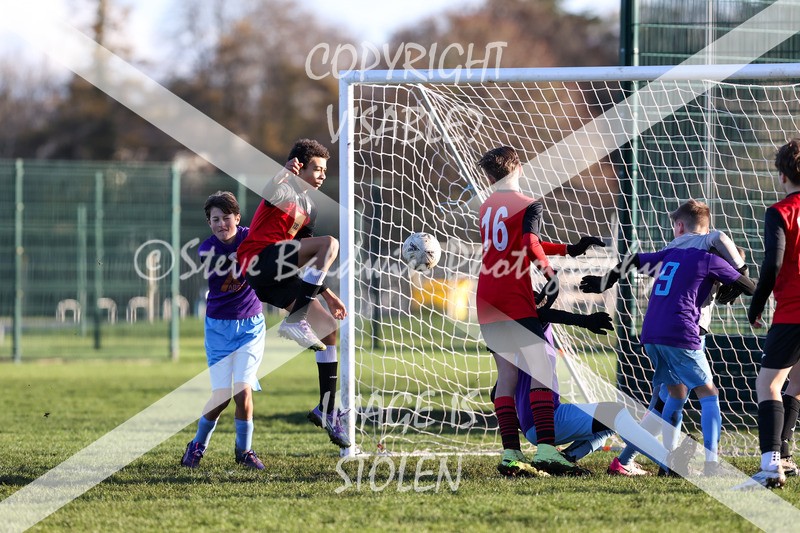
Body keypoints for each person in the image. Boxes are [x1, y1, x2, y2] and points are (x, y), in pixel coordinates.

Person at [581, 199, 756, 477]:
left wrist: (605, 281)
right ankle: (710, 465)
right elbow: (748, 284)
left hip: (653, 332)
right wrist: (740, 283)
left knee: (672, 396)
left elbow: (634, 259)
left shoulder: (671, 253)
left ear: (679, 226)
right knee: (704, 394)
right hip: (684, 333)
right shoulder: (708, 256)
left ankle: (652, 462)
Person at [475, 145, 605, 477]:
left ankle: (510, 455)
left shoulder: (486, 207)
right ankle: (547, 451)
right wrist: (551, 275)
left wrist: (568, 249)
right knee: (540, 371)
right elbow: (531, 244)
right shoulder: (529, 203)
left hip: (487, 296)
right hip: (513, 294)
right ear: (518, 169)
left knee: (507, 376)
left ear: (490, 178)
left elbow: (519, 242)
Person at [237, 139, 350, 449]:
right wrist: (283, 173)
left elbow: (310, 256)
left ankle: (326, 409)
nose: (323, 174)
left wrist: (328, 296)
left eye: (326, 169)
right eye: (317, 167)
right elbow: (273, 187)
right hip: (258, 262)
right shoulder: (285, 189)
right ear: (300, 166)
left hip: (276, 277)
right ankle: (295, 320)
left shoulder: (309, 207)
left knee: (329, 330)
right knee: (332, 244)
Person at [181, 191, 266, 470]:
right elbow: (240, 261)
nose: (221, 224)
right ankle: (197, 445)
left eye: (226, 218)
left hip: (250, 326)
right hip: (218, 328)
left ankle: (244, 451)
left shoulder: (249, 234)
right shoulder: (207, 250)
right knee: (222, 396)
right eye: (215, 219)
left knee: (242, 392)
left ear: (237, 218)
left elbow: (267, 238)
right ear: (209, 223)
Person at [737, 139, 800, 490]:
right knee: (796, 384)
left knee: (768, 384)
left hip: (794, 311)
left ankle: (770, 466)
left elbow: (773, 263)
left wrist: (757, 304)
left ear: (781, 174)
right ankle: (786, 458)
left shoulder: (781, 211)